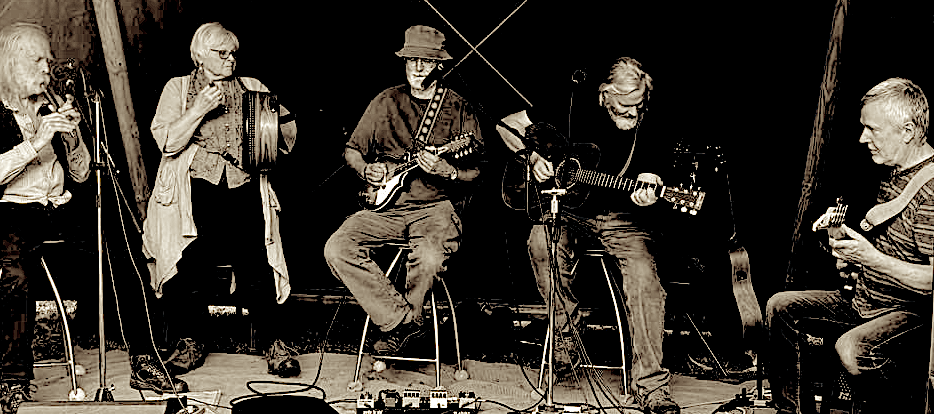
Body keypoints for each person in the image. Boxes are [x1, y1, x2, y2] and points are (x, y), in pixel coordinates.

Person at [496, 57, 680, 414]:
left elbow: (656, 173)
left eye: (639, 104)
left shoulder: (654, 121)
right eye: (624, 105)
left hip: (623, 218)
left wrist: (651, 186)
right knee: (540, 243)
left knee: (644, 277)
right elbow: (507, 124)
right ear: (604, 95)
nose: (633, 112)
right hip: (569, 211)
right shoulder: (572, 104)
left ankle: (651, 386)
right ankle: (567, 337)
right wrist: (531, 157)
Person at [767, 78, 933, 414]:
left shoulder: (931, 191)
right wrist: (849, 252)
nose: (863, 138)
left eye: (872, 129)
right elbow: (894, 249)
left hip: (910, 316)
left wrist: (871, 258)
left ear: (907, 131)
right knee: (781, 308)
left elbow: (931, 280)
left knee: (853, 349)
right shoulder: (895, 171)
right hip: (865, 302)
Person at [142, 22, 299, 379]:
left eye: (233, 54)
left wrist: (271, 131)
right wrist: (198, 108)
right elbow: (167, 142)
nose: (231, 59)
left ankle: (273, 343)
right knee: (191, 263)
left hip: (244, 186)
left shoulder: (252, 86)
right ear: (199, 55)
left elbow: (287, 132)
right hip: (194, 188)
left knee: (257, 262)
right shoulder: (178, 88)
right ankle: (191, 341)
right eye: (222, 53)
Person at [324, 25, 483, 355]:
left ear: (440, 65)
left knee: (429, 258)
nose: (418, 67)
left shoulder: (458, 107)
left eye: (427, 61)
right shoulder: (386, 100)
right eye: (412, 60)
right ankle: (403, 322)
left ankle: (399, 329)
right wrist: (366, 169)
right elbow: (352, 150)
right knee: (337, 247)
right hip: (386, 209)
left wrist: (448, 170)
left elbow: (478, 173)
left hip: (434, 209)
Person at [0, 22, 92, 411]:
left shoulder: (48, 104)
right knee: (16, 276)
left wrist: (72, 136)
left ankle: (144, 356)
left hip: (56, 210)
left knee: (117, 247)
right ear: (10, 63)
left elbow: (82, 174)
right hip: (11, 211)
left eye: (48, 61)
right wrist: (37, 141)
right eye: (37, 60)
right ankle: (12, 379)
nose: (46, 69)